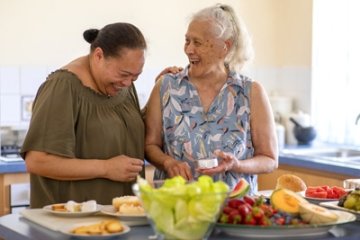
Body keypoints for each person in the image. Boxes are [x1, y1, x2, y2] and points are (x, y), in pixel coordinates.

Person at [20, 22, 179, 208]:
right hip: (72, 224)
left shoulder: (121, 86)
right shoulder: (63, 87)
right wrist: (106, 168)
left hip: (117, 222)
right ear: (98, 56)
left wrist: (160, 88)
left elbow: (128, 131)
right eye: (124, 74)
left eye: (135, 77)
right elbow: (37, 161)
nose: (128, 83)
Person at [144, 4, 278, 195]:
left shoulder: (251, 92)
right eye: (187, 41)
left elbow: (269, 159)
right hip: (177, 207)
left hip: (235, 210)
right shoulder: (166, 86)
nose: (189, 50)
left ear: (225, 46)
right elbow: (149, 145)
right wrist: (168, 162)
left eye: (197, 43)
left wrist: (237, 165)